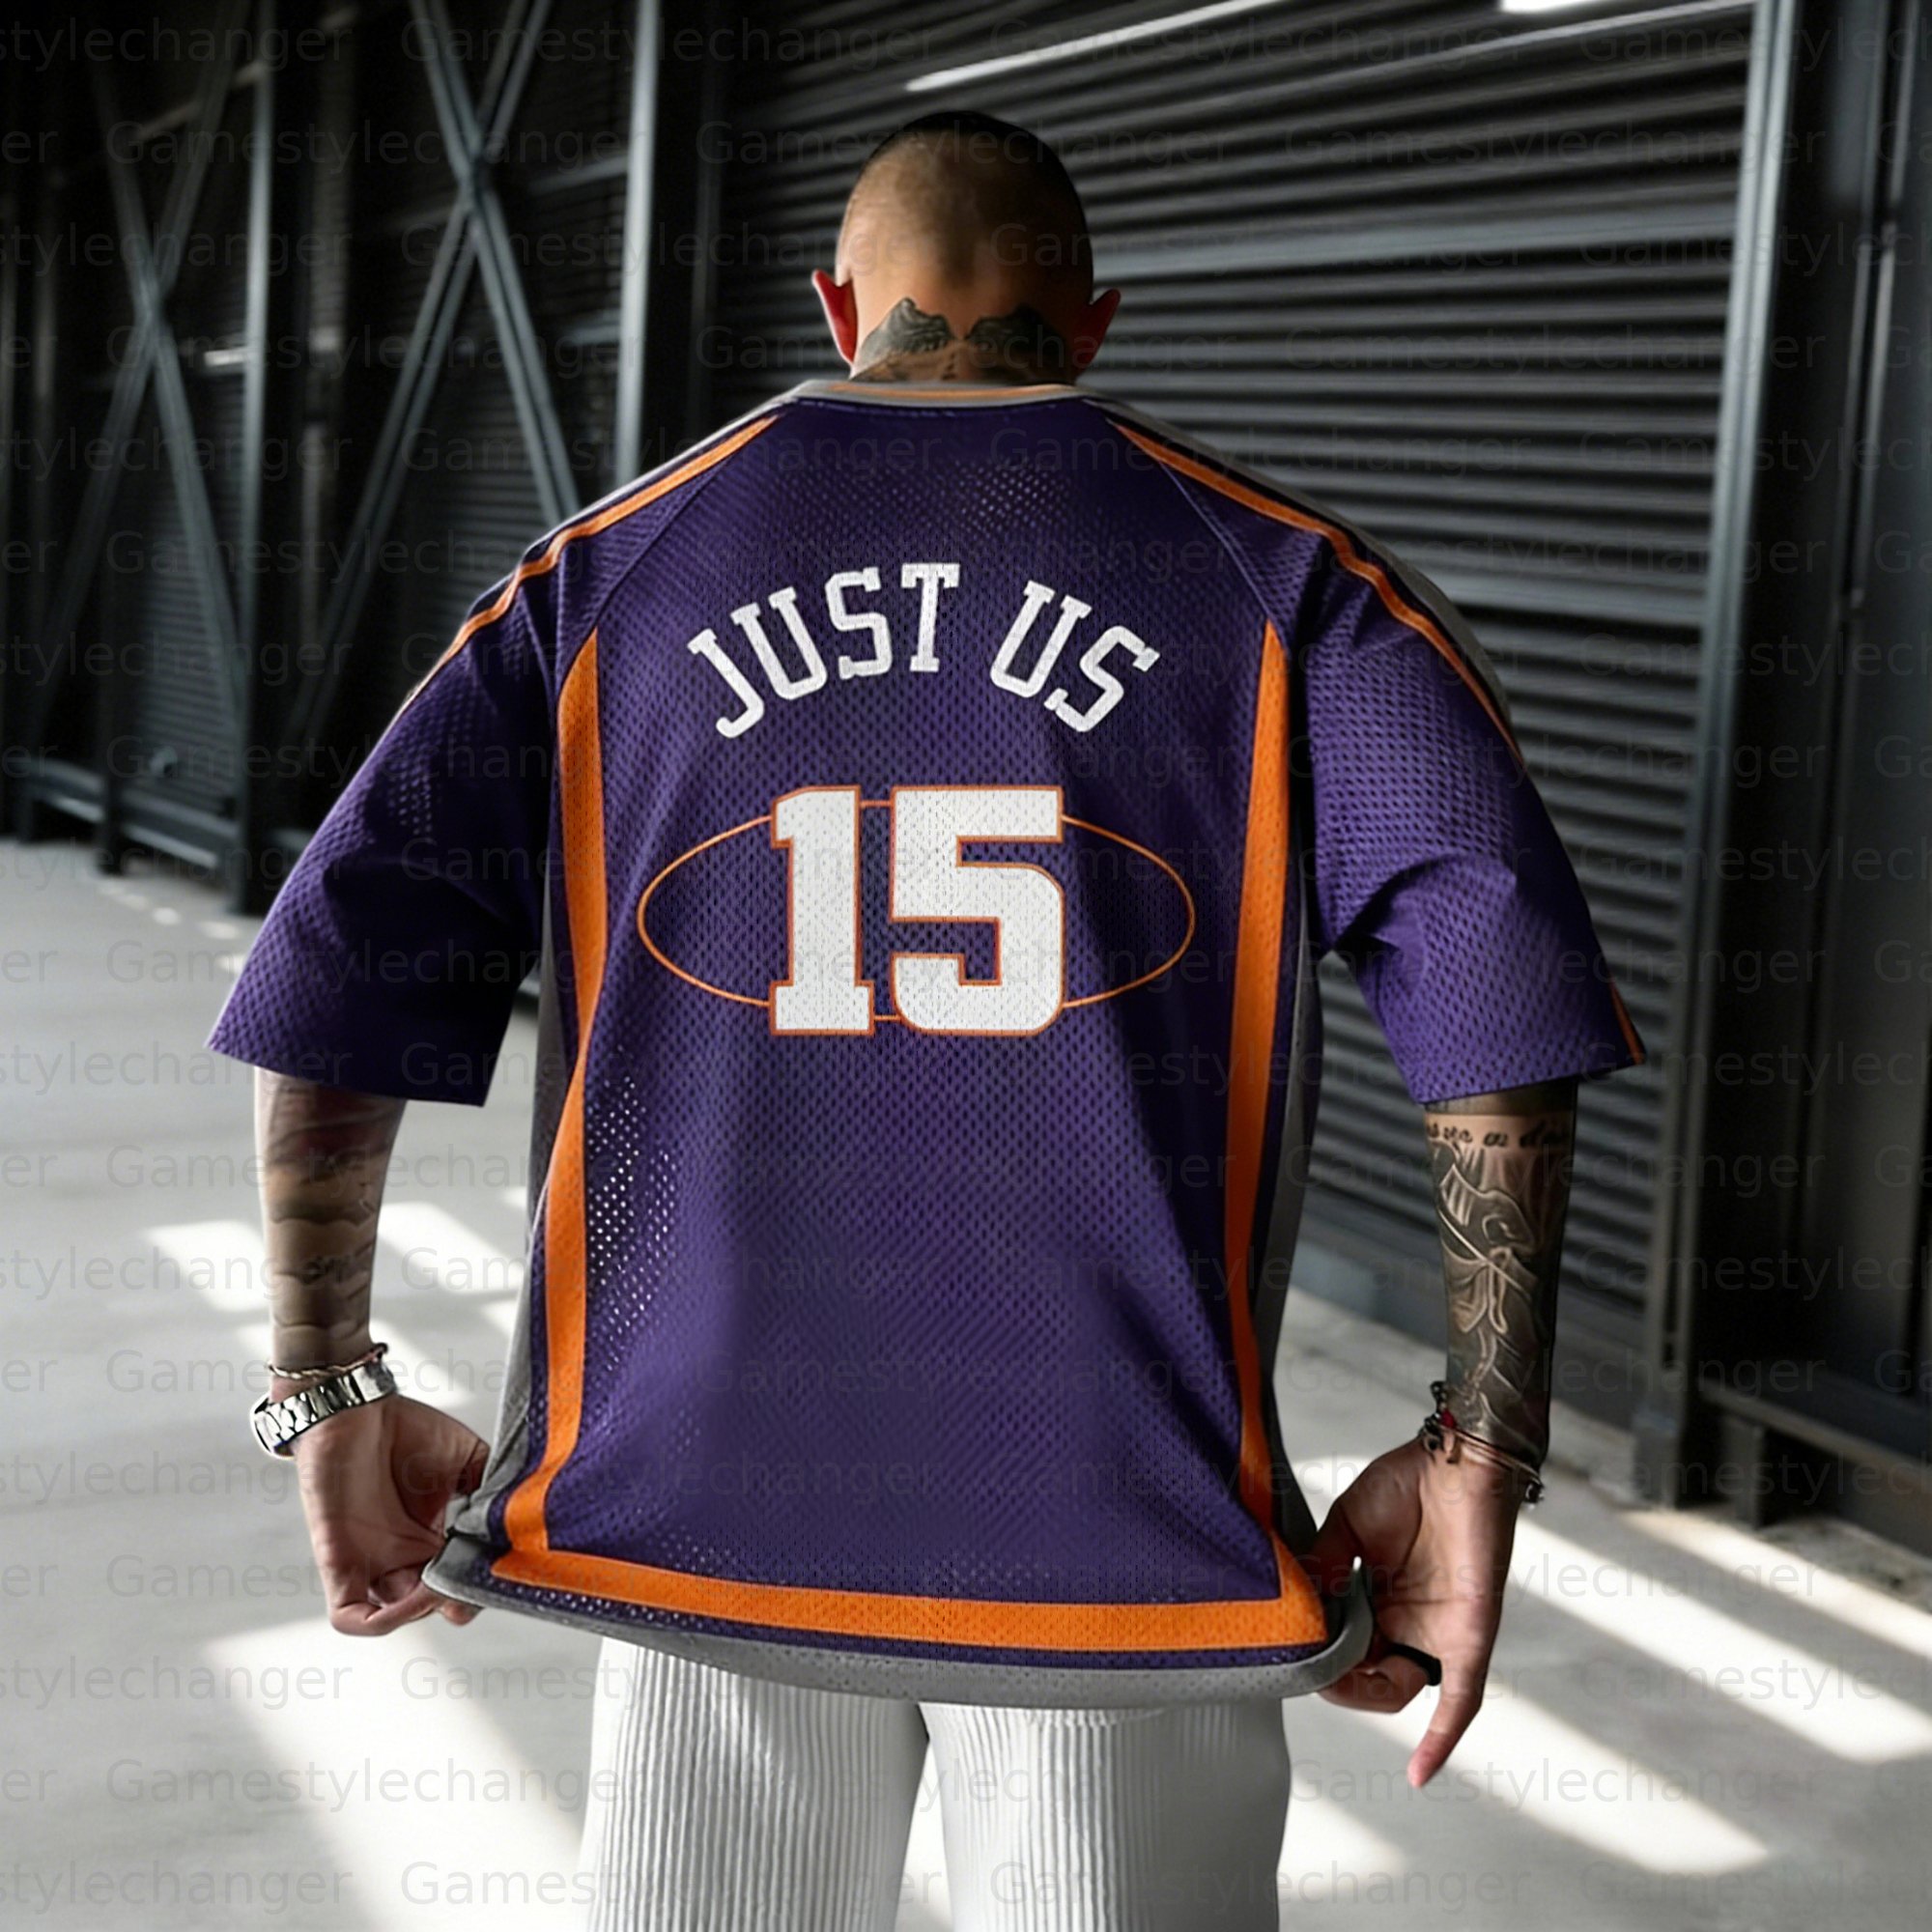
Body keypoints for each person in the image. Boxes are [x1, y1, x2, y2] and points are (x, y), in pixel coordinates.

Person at [210, 109, 1645, 1931]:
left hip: (696, 1501)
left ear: (836, 307)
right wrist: (1478, 1446)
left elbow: (340, 968)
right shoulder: (1289, 584)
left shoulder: (606, 573)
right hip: (1126, 1535)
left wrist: (323, 1385)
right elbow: (1496, 1015)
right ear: (1094, 320)